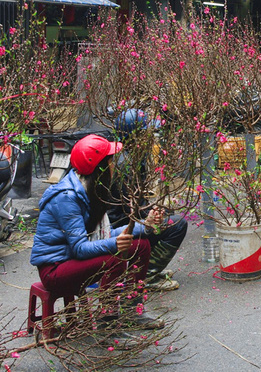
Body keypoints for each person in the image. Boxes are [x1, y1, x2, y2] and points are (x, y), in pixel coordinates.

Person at [30, 134, 163, 329]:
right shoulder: (66, 198)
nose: (113, 166)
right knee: (114, 257)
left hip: (74, 262)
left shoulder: (92, 189)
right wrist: (114, 244)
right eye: (110, 162)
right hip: (56, 269)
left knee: (141, 245)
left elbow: (106, 234)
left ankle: (131, 309)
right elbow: (80, 249)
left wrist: (146, 224)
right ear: (99, 169)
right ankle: (107, 324)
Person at [108, 108, 188, 292]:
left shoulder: (128, 158)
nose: (151, 137)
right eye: (146, 133)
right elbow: (131, 209)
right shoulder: (124, 165)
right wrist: (150, 215)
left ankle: (146, 266)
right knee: (178, 225)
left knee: (168, 215)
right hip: (121, 226)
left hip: (126, 219)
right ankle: (145, 275)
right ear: (135, 136)